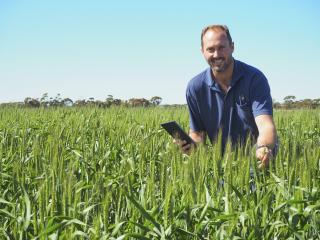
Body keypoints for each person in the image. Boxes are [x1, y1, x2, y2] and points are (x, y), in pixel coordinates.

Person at [177, 24, 277, 169]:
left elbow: (265, 124)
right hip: (223, 162)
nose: (216, 54)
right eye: (210, 49)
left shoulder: (254, 78)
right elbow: (197, 134)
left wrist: (264, 147)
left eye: (221, 47)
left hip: (257, 159)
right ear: (202, 52)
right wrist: (189, 146)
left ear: (232, 47)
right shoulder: (195, 87)